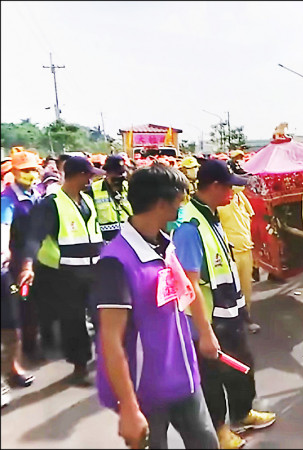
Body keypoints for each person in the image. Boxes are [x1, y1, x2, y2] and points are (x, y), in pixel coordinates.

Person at [91, 164, 219, 449]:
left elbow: (186, 289)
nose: (181, 209)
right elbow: (110, 340)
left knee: (206, 443)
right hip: (146, 392)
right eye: (179, 202)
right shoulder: (117, 261)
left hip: (184, 378)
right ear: (162, 204)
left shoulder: (165, 244)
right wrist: (128, 408)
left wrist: (206, 333)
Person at [173, 160, 275, 448]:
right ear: (215, 186)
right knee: (212, 377)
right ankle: (218, 430)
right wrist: (204, 332)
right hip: (209, 318)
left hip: (228, 312)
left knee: (242, 365)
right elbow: (189, 284)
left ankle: (242, 413)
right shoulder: (190, 226)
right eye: (230, 185)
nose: (233, 191)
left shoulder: (211, 215)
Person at [24, 156, 106, 385]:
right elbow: (35, 236)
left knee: (102, 315)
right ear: (78, 176)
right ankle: (79, 366)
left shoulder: (88, 201)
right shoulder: (51, 203)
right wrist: (28, 264)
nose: (91, 180)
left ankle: (106, 361)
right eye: (88, 175)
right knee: (74, 321)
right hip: (64, 274)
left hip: (92, 269)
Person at [1, 151, 41, 407]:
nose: (31, 174)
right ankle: (11, 369)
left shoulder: (36, 197)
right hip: (12, 268)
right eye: (25, 170)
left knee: (29, 314)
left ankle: (15, 366)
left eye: (33, 169)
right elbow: (4, 227)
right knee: (10, 324)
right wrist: (4, 250)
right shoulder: (7, 200)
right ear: (13, 172)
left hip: (33, 264)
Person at [218, 177, 262, 335]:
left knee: (246, 287)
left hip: (246, 249)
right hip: (230, 254)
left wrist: (254, 249)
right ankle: (233, 321)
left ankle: (246, 316)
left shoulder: (241, 198)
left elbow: (249, 221)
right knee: (230, 289)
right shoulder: (220, 204)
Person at [87, 155, 132, 243]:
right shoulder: (93, 189)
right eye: (115, 173)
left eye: (121, 173)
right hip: (105, 241)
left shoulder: (130, 187)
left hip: (128, 240)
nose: (118, 177)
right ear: (106, 173)